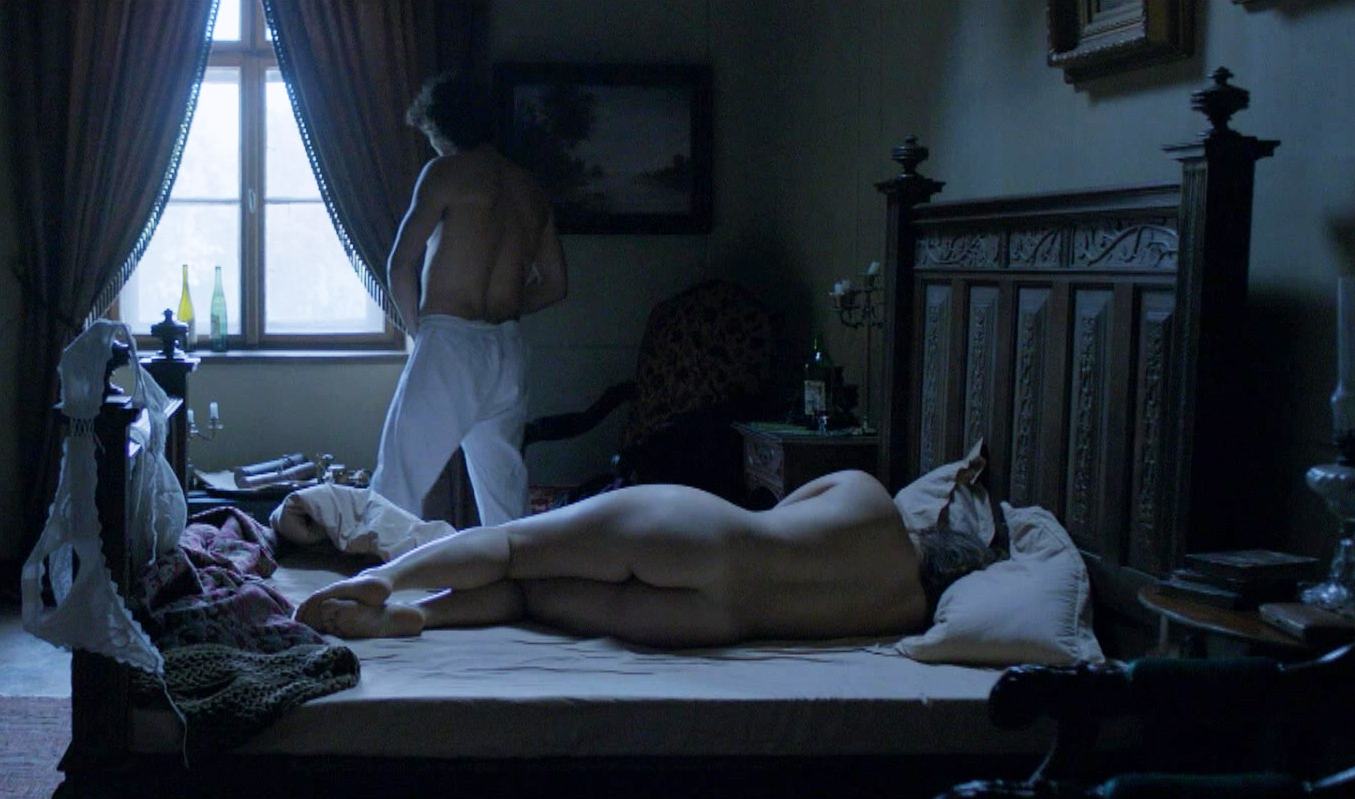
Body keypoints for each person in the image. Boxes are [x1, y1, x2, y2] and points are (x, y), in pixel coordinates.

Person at [294, 470, 999, 649]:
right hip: (708, 622)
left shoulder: (874, 497)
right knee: (531, 597)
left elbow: (782, 513)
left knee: (514, 549)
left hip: (704, 535)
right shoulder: (908, 613)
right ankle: (418, 618)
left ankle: (383, 578)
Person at [369, 71, 569, 528]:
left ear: (440, 128)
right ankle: (517, 575)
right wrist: (507, 304)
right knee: (505, 504)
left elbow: (400, 265)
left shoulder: (446, 173)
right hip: (506, 349)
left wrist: (421, 334)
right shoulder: (529, 188)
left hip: (450, 342)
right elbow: (556, 285)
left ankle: (383, 576)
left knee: (396, 486)